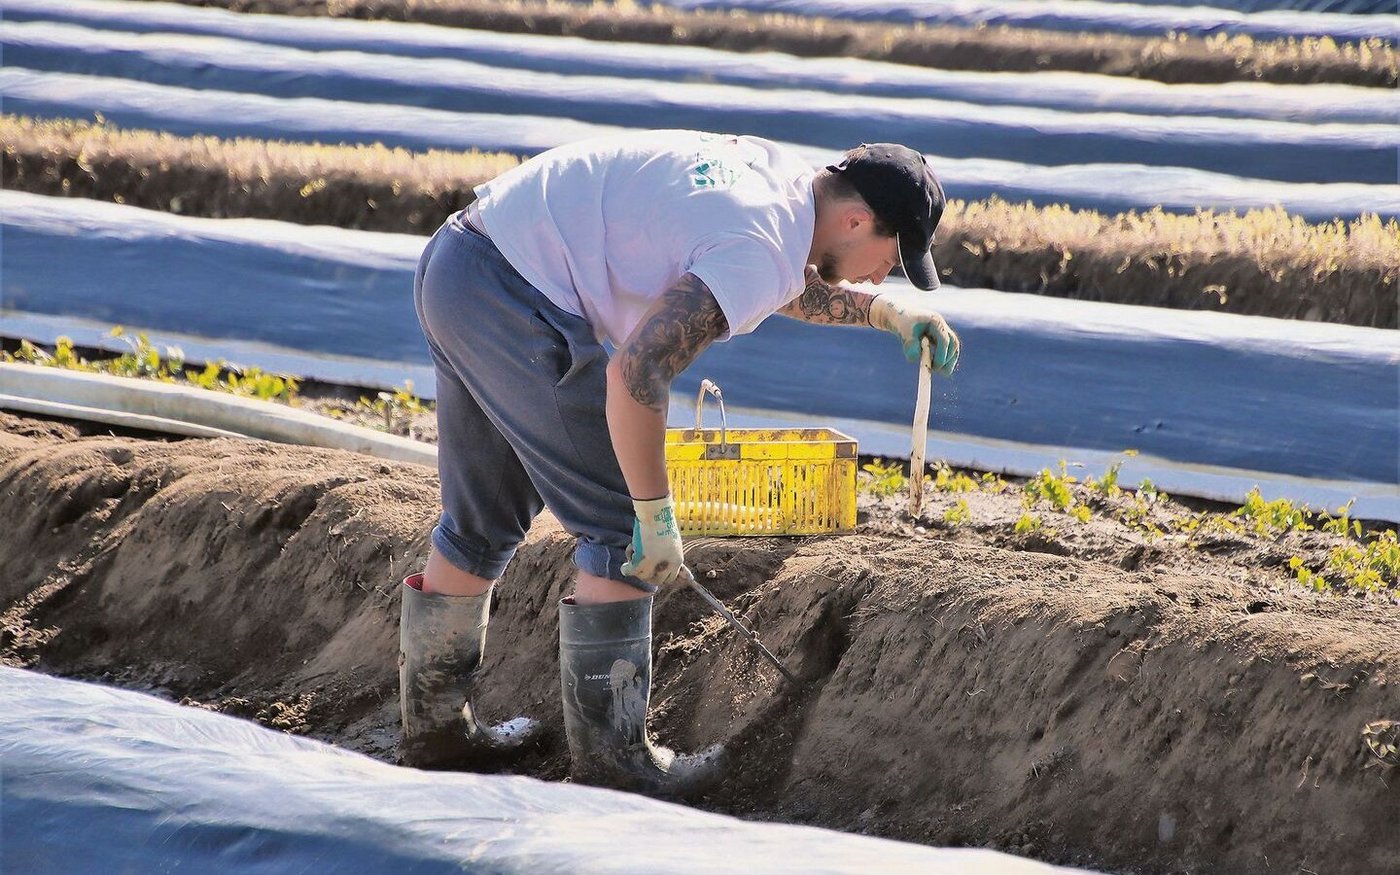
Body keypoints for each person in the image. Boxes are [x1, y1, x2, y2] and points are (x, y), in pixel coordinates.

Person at [397, 130, 960, 798]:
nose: (880, 272)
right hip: (514, 296)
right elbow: (636, 370)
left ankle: (436, 729)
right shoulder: (764, 240)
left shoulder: (776, 177)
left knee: (483, 514)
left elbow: (767, 276)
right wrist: (651, 512)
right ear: (857, 220)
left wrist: (882, 311)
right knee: (617, 527)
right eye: (890, 260)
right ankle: (615, 760)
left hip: (463, 261)